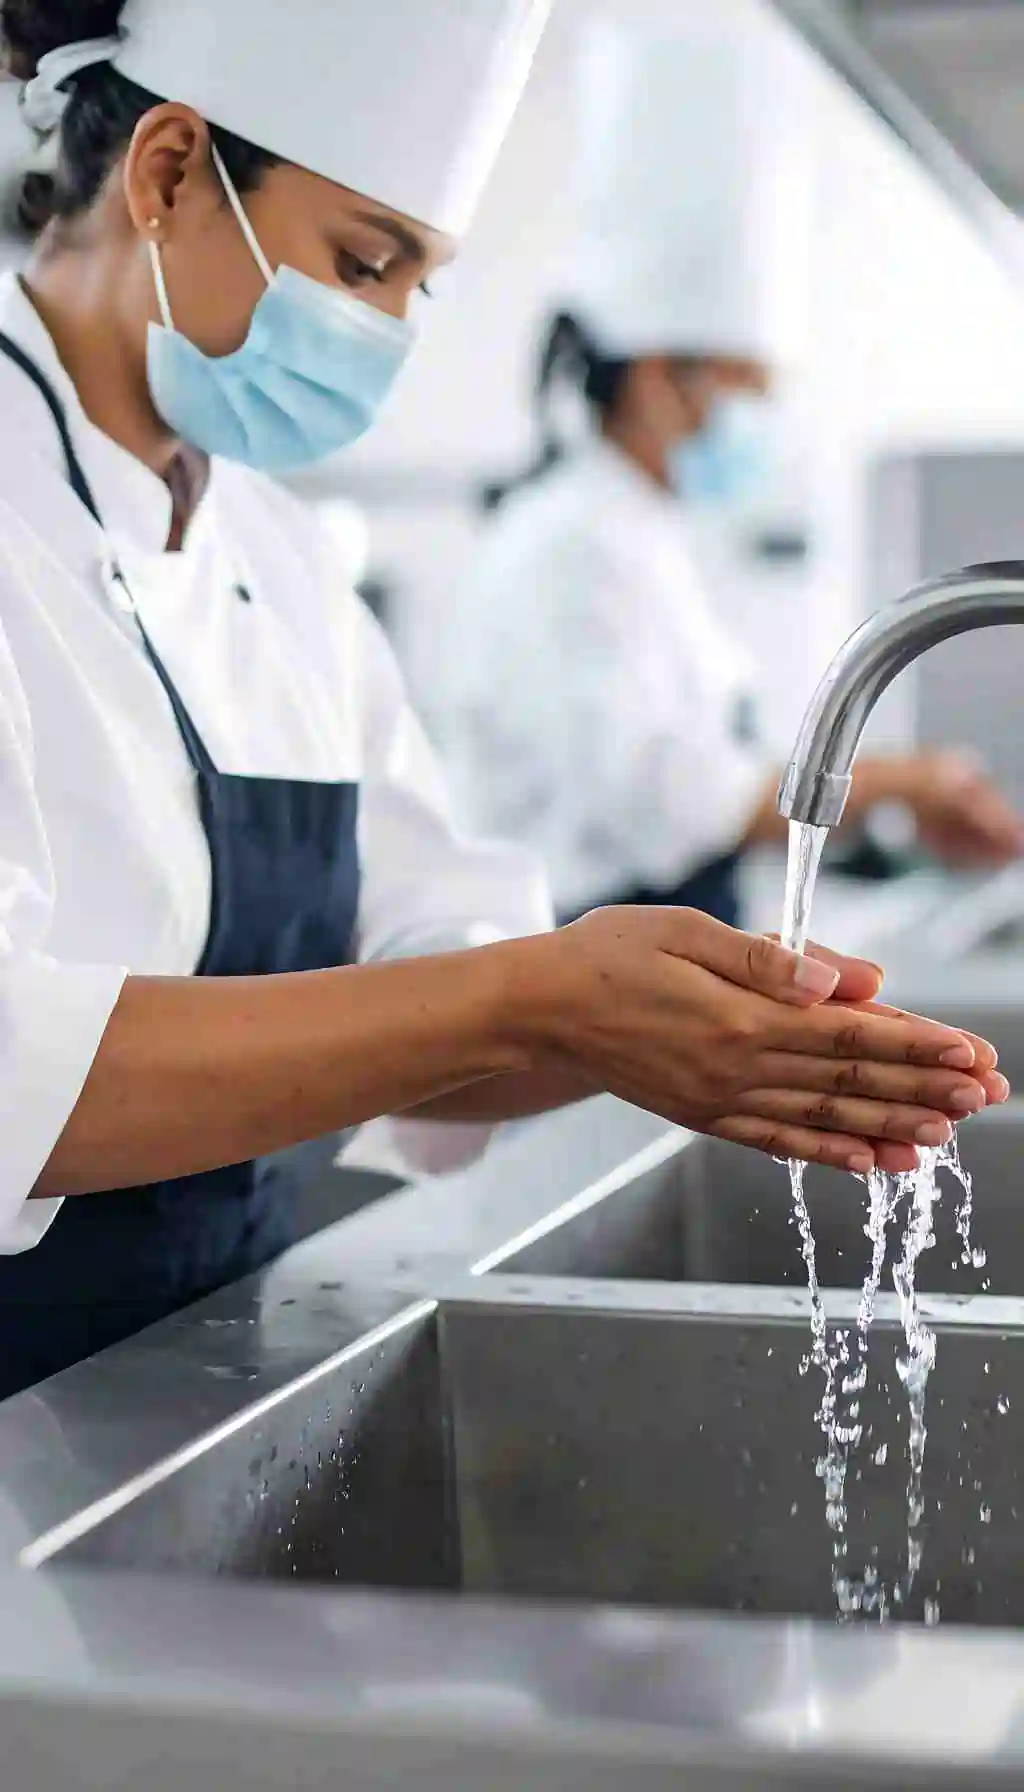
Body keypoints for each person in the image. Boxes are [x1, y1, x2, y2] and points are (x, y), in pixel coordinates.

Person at [0, 0, 1003, 1402]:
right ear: (167, 172)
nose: (391, 329)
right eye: (365, 262)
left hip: (171, 1382)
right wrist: (527, 1000)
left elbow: (438, 963)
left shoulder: (277, 562)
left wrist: (663, 1024)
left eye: (420, 284)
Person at [436, 8, 1022, 931]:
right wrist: (906, 780)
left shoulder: (647, 534)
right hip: (581, 961)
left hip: (657, 934)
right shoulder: (568, 550)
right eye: (750, 386)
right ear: (664, 375)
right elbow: (666, 800)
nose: (765, 422)